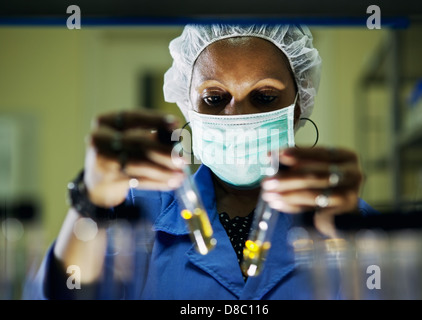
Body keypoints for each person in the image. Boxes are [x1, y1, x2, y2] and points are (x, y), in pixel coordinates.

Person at [27, 24, 376, 300]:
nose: (237, 115)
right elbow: (64, 294)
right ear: (188, 108)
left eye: (265, 96)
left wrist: (352, 239)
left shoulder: (344, 216)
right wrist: (91, 200)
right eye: (214, 97)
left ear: (297, 106)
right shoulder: (137, 209)